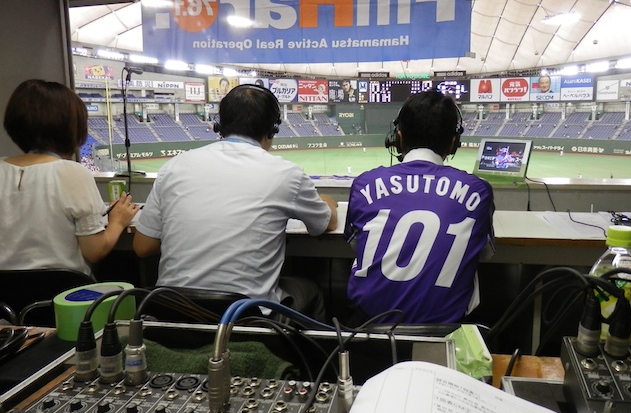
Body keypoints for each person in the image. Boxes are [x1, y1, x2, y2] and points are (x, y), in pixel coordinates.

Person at [133, 84, 338, 319]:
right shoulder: (287, 173)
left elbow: (143, 247)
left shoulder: (173, 167)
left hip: (173, 312)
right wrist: (327, 201)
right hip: (244, 318)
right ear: (272, 129)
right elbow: (326, 223)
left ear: (220, 124)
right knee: (310, 289)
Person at [344, 90, 495, 324]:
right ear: (453, 143)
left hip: (366, 330)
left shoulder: (364, 184)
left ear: (398, 138)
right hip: (445, 333)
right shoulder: (479, 190)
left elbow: (356, 245)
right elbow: (485, 253)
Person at [0, 79, 139, 276]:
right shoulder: (72, 172)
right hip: (65, 291)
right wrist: (117, 221)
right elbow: (95, 250)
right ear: (72, 128)